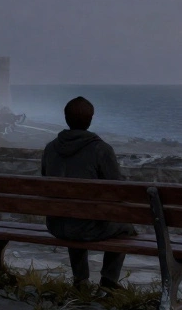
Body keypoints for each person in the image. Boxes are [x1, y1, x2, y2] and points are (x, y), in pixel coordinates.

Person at [41, 96, 136, 289]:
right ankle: (109, 280)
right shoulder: (101, 149)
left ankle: (80, 279)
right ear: (90, 119)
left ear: (66, 118)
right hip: (87, 227)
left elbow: (45, 179)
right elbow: (117, 190)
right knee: (126, 227)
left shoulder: (51, 148)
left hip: (56, 224)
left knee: (73, 212)